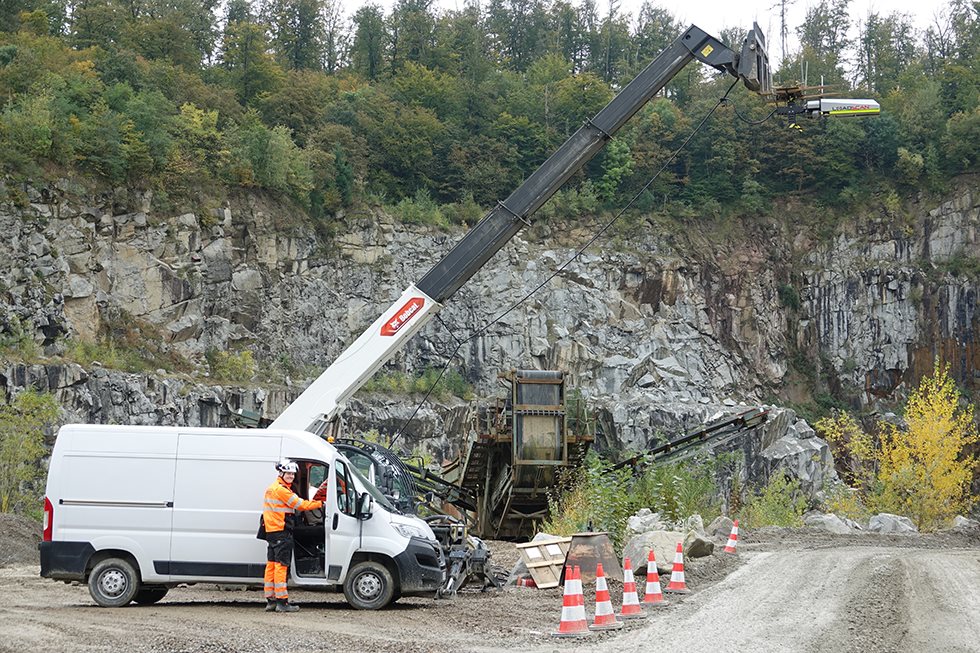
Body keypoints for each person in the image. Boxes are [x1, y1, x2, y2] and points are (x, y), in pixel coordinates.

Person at [262, 458, 323, 612]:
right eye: (288, 473)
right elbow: (301, 505)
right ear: (281, 473)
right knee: (281, 567)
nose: (291, 476)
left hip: (272, 532)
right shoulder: (281, 490)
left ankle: (271, 600)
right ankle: (282, 602)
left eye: (292, 474)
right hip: (282, 532)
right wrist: (321, 504)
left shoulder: (273, 488)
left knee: (272, 566)